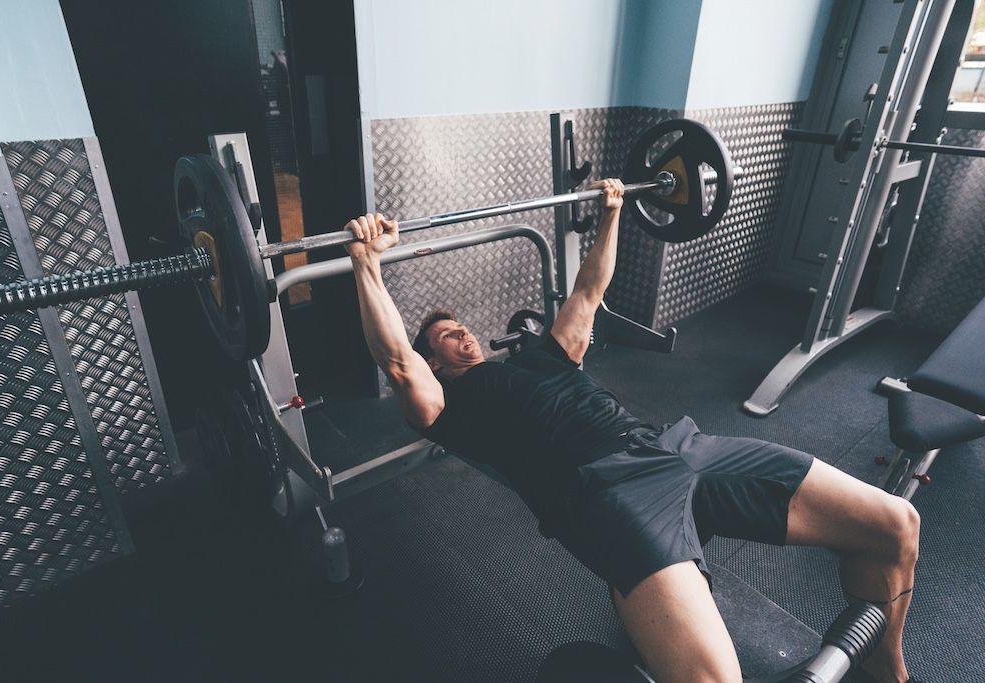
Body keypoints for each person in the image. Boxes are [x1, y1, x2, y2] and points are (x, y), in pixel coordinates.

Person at [343, 179, 920, 683]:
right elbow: (396, 361)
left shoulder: (546, 355)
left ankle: (882, 667)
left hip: (677, 448)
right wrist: (367, 262)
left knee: (896, 524)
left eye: (461, 325)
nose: (462, 333)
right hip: (610, 493)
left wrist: (615, 209)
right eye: (445, 336)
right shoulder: (450, 405)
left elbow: (589, 291)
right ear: (435, 363)